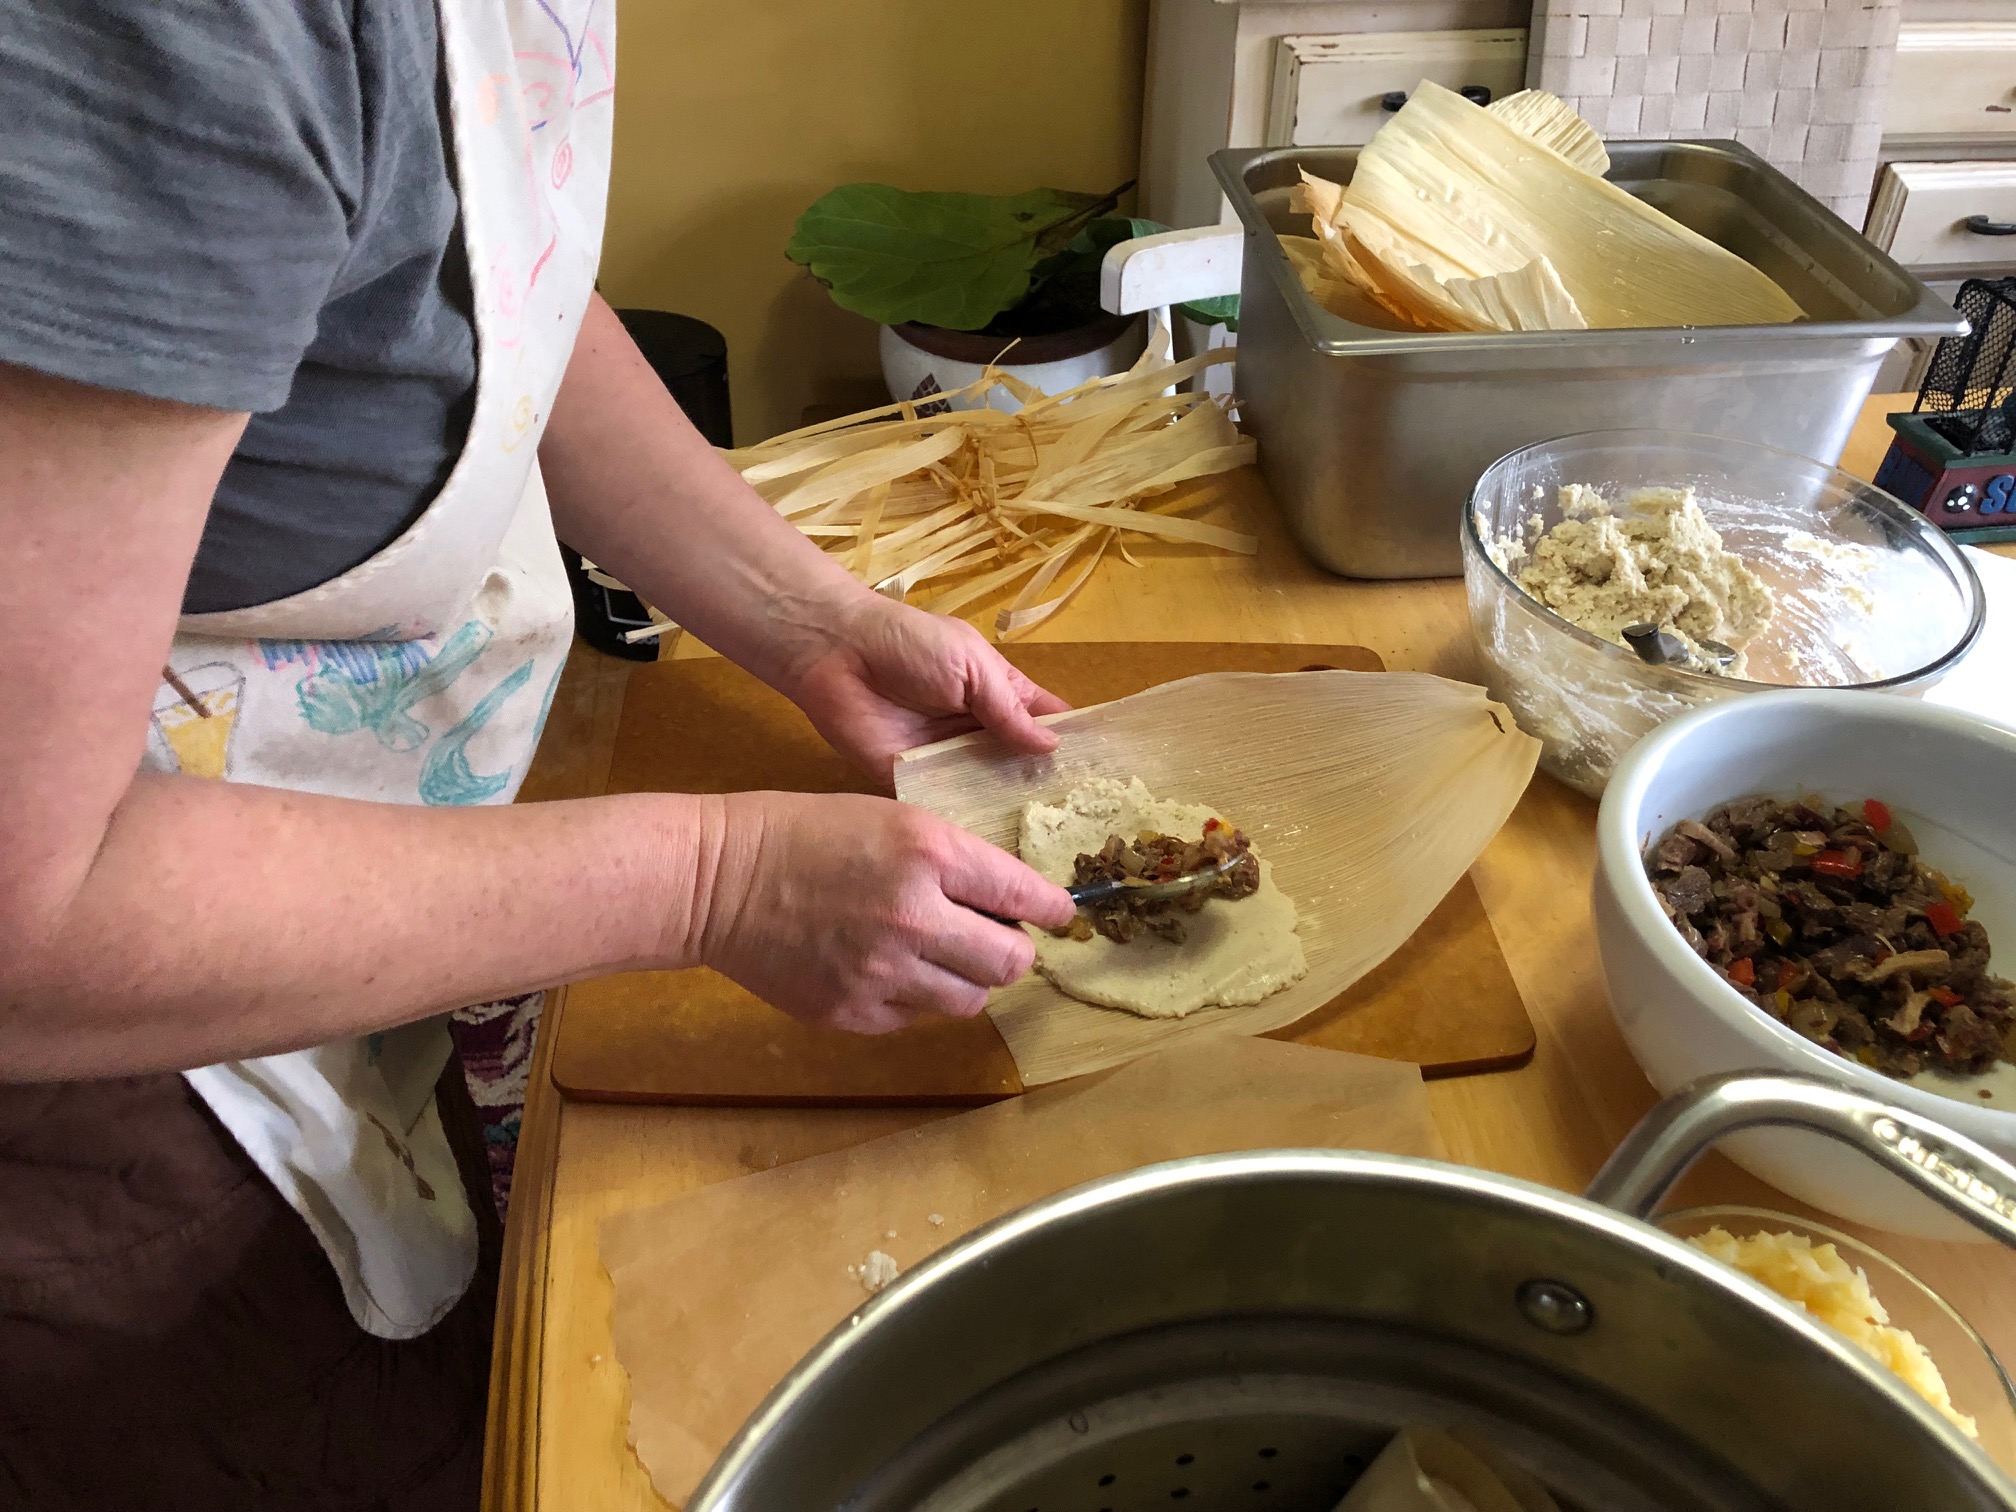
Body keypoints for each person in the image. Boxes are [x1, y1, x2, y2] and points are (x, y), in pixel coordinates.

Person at [0, 3, 1074, 1506]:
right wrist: (715, 877)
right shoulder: (165, 39)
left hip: (357, 908)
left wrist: (807, 618)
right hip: (114, 1078)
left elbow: (498, 296)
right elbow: (22, 920)